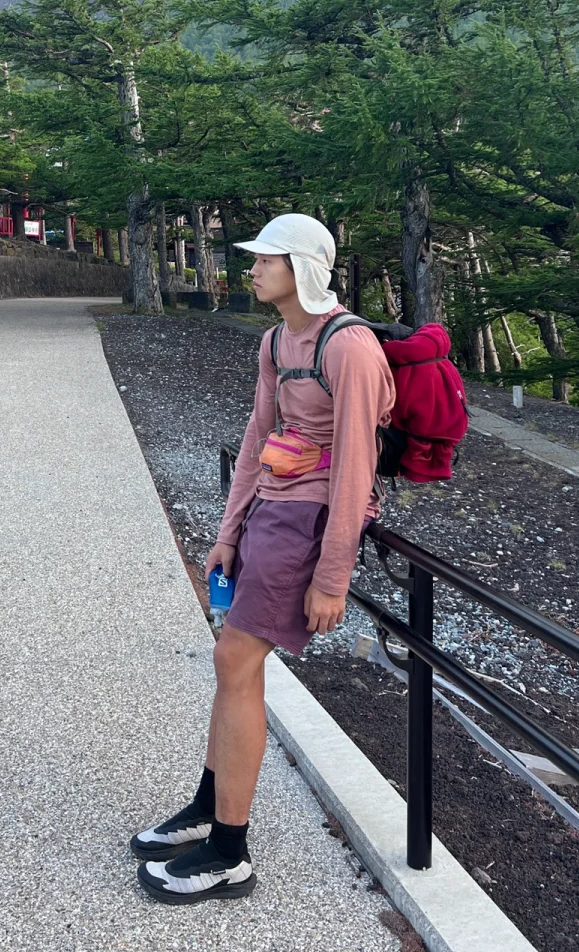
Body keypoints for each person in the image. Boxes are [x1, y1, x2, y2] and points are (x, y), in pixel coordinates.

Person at [132, 213, 395, 904]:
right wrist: (228, 529)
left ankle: (230, 851)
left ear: (302, 265)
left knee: (235, 660)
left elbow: (357, 470)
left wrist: (332, 575)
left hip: (309, 519)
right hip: (271, 510)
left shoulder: (350, 347)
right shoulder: (278, 340)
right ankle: (207, 808)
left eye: (264, 259)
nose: (251, 269)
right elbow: (258, 433)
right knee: (231, 661)